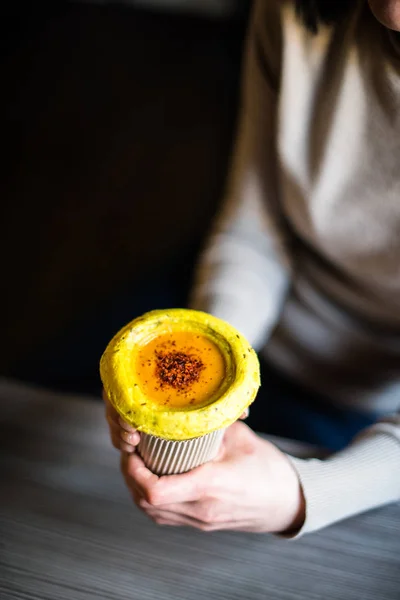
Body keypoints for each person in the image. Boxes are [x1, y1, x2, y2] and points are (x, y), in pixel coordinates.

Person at [104, 0, 400, 536]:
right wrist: (212, 383)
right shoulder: (299, 10)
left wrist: (305, 497)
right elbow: (254, 232)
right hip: (235, 323)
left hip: (375, 412)